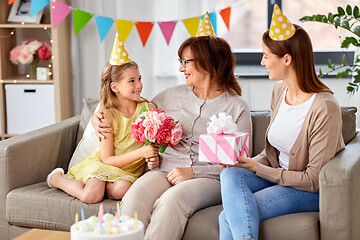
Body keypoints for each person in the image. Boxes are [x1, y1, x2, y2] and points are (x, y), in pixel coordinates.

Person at [92, 12, 252, 240]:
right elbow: (125, 103)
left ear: (208, 63)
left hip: (210, 178)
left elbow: (241, 165)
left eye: (186, 62)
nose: (181, 69)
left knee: (171, 200)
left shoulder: (237, 107)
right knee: (135, 195)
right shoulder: (167, 97)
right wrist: (95, 117)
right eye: (181, 62)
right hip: (164, 170)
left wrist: (193, 171)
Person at [218, 5, 345, 240]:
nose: (262, 62)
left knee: (227, 217)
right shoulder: (279, 91)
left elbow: (314, 180)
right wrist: (249, 163)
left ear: (286, 59)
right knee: (230, 175)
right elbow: (272, 154)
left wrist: (259, 169)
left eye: (266, 56)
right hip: (279, 175)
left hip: (306, 190)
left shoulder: (324, 107)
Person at [46, 35, 159, 204]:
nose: (139, 85)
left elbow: (153, 147)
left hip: (127, 173)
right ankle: (56, 179)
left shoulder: (149, 110)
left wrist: (153, 158)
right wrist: (141, 153)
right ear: (115, 87)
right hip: (104, 166)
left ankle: (103, 186)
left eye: (139, 79)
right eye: (132, 81)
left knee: (122, 190)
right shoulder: (108, 115)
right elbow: (107, 160)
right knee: (91, 196)